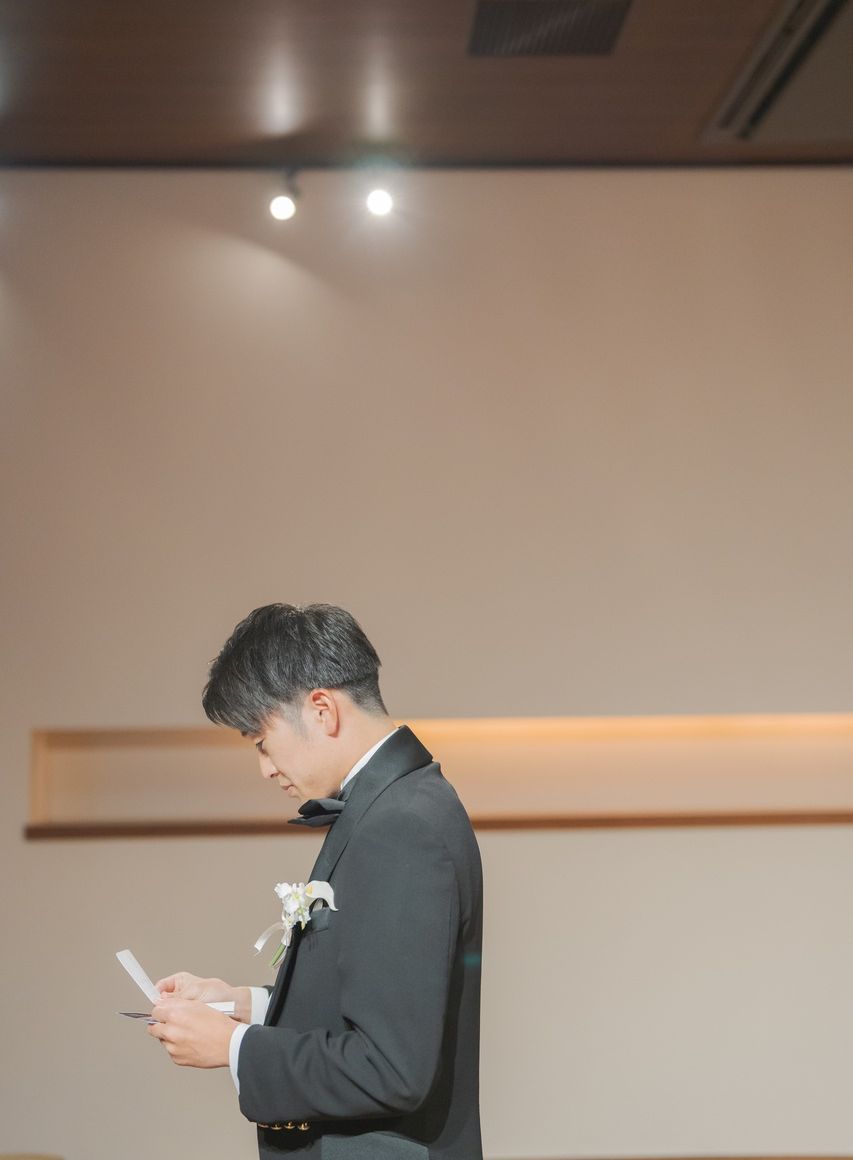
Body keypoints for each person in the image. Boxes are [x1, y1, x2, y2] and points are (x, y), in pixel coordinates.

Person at [148, 603, 484, 1159]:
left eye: (261, 741)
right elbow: (371, 1001)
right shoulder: (394, 806)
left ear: (322, 710)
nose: (264, 767)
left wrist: (235, 1047)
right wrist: (242, 1004)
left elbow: (393, 1067)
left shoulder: (400, 825)